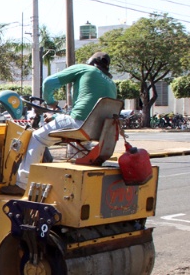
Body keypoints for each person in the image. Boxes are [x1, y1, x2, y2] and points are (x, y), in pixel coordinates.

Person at [16, 52, 117, 188]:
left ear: (91, 62)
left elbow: (48, 83)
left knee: (37, 137)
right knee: (78, 148)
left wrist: (50, 102)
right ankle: (75, 187)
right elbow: (88, 111)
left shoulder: (85, 68)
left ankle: (22, 183)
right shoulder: (111, 83)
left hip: (79, 123)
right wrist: (57, 116)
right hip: (96, 131)